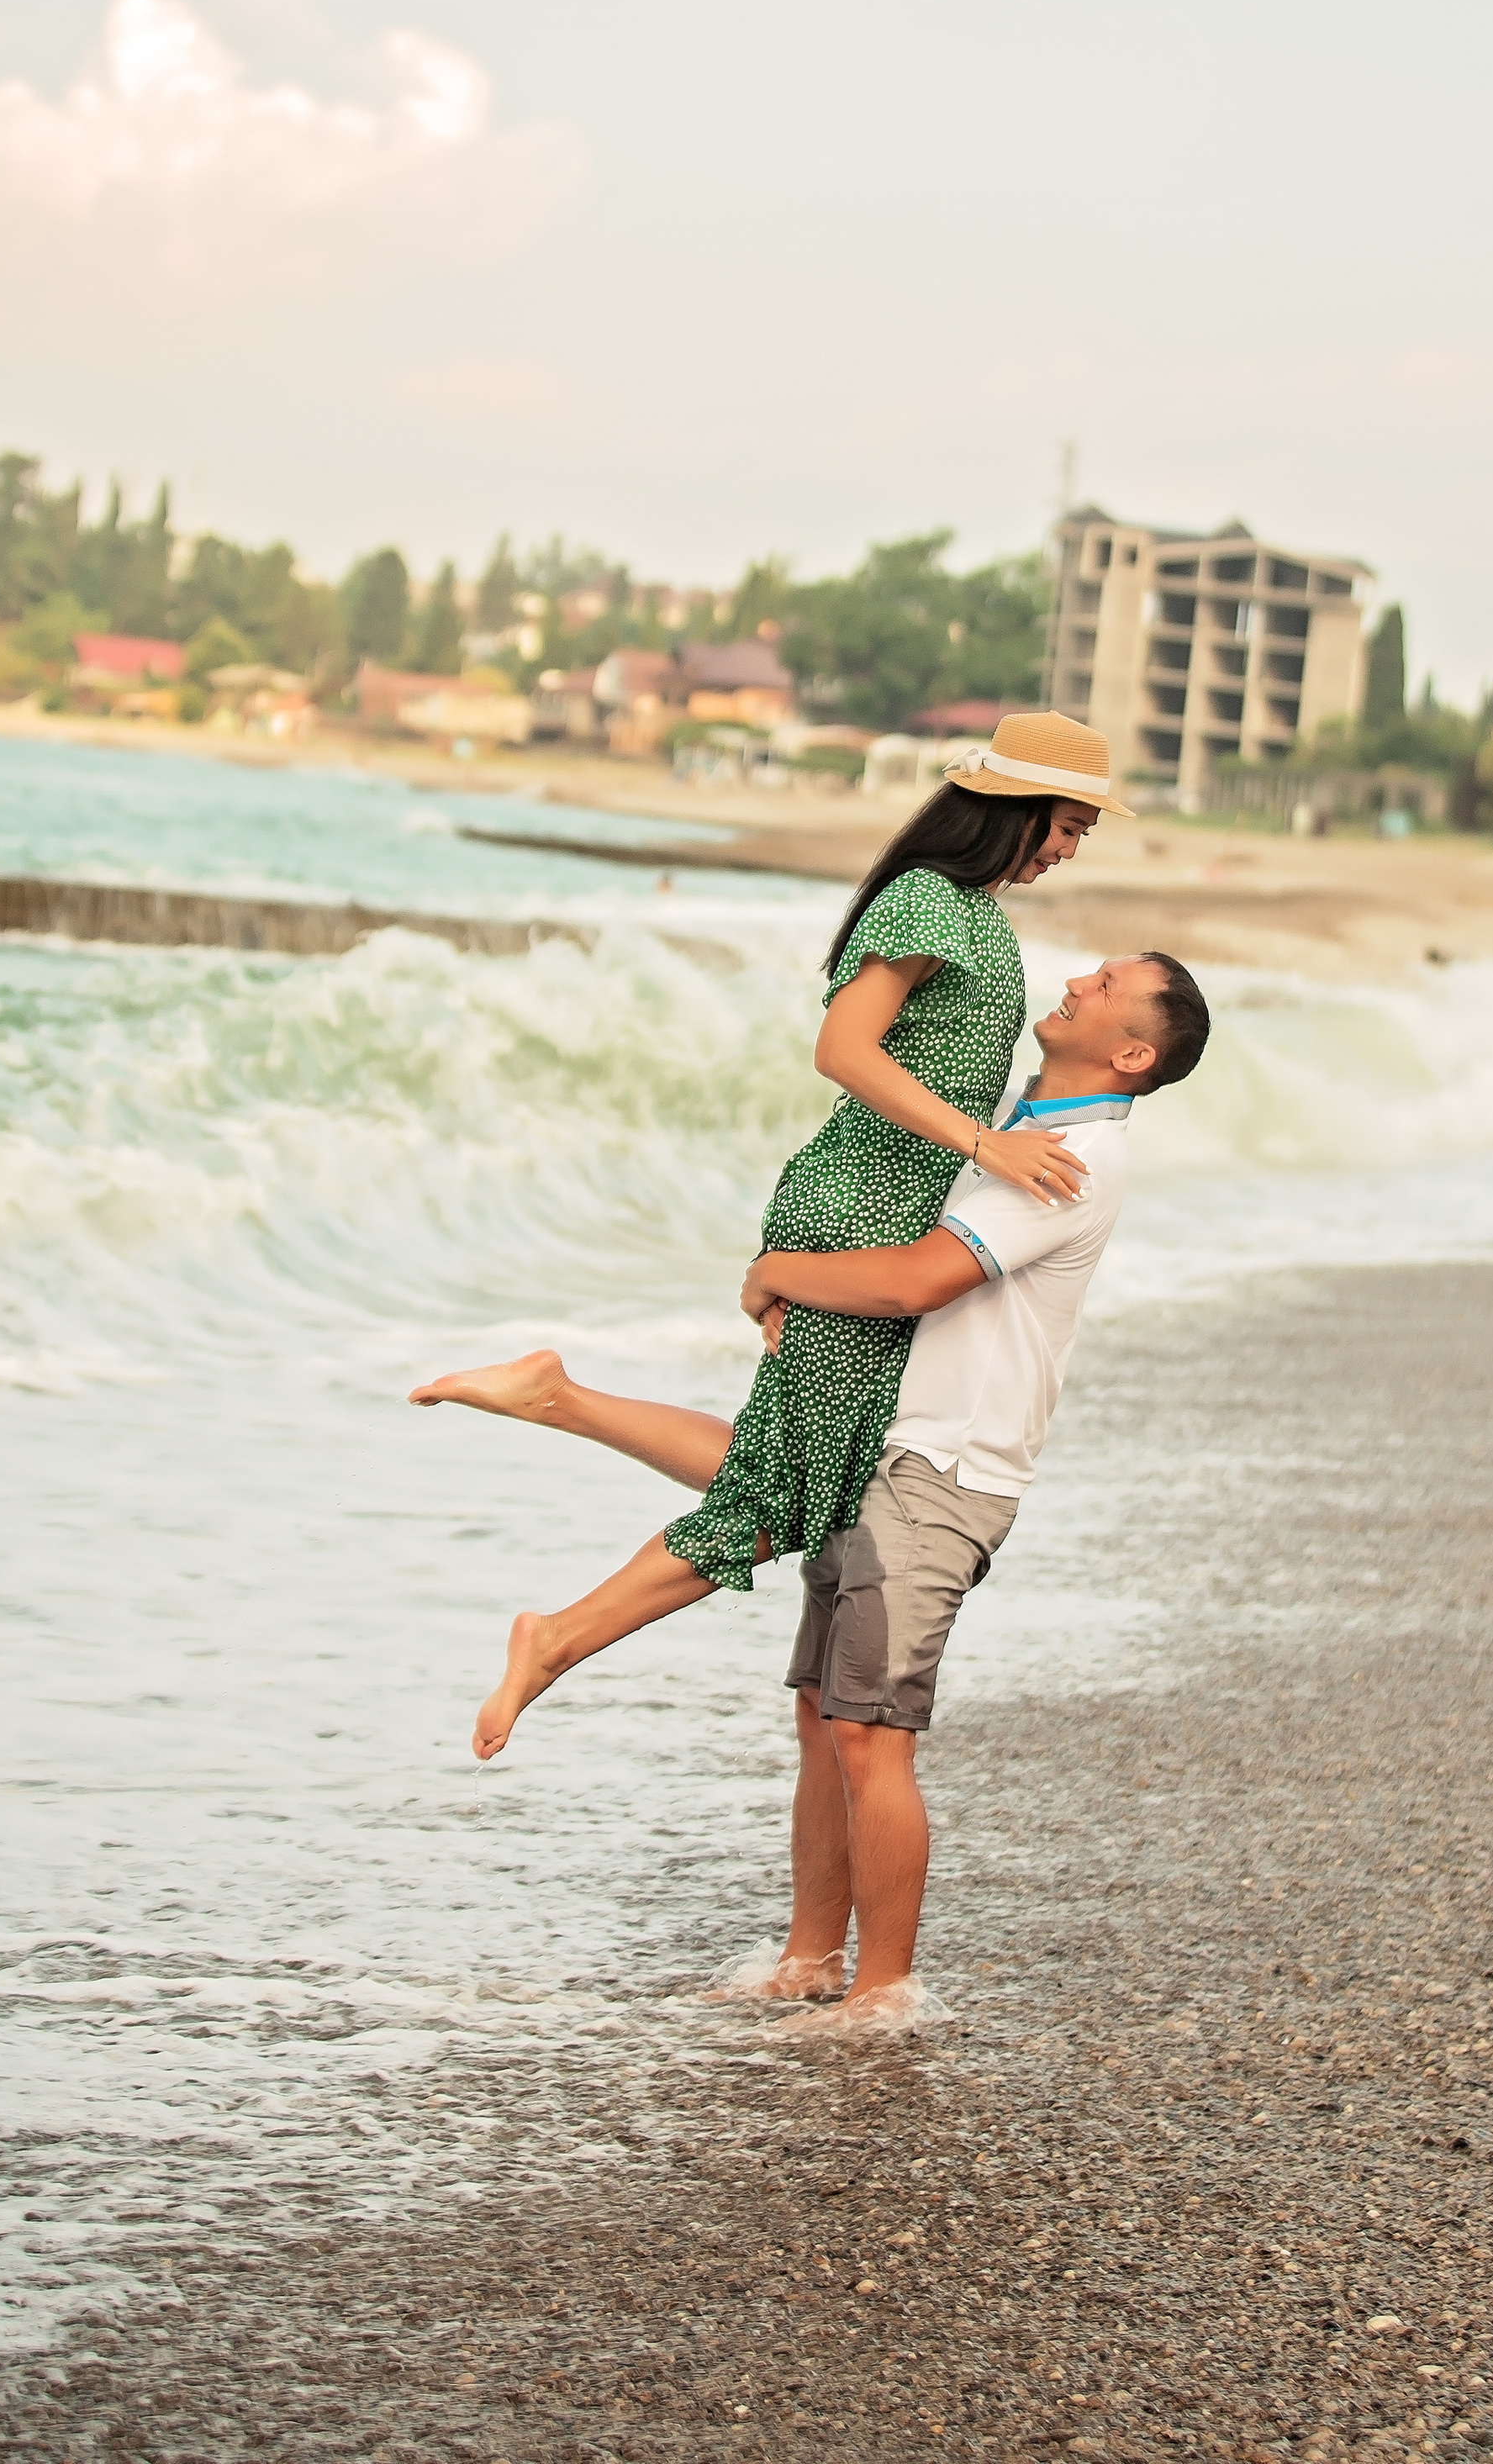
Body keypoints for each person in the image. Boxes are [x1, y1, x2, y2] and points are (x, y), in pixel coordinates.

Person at [421, 948, 1212, 2014]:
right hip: (890, 1435)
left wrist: (776, 1274)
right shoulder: (1024, 1117)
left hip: (946, 1470)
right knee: (819, 1716)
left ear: (1130, 1050)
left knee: (869, 1734)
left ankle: (884, 1990)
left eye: (1108, 985)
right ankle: (808, 1959)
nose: (1078, 978)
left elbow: (918, 1277)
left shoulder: (1071, 1158)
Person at [415, 710, 1131, 1760]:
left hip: (884, 1212)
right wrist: (982, 1147)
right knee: (785, 1494)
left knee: (798, 1475)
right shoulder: (928, 901)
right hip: (855, 1209)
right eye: (1069, 824)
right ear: (1018, 809)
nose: (1071, 848)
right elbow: (841, 1049)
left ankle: (555, 1403)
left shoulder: (974, 911)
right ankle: (555, 1635)